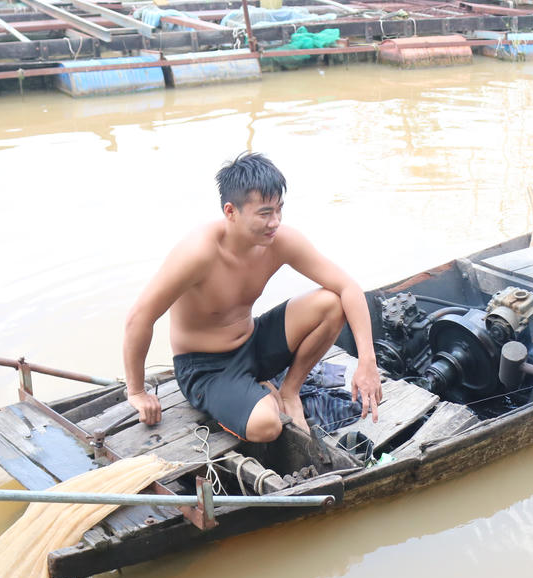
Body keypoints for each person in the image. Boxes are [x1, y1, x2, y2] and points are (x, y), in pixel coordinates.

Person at [122, 153, 383, 442]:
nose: (275, 222)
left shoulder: (279, 241)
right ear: (231, 211)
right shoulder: (197, 253)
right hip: (207, 369)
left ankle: (289, 390)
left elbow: (348, 287)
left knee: (332, 304)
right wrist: (136, 391)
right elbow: (140, 318)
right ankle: (257, 398)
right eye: (265, 213)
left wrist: (367, 361)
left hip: (252, 341)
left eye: (279, 210)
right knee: (267, 426)